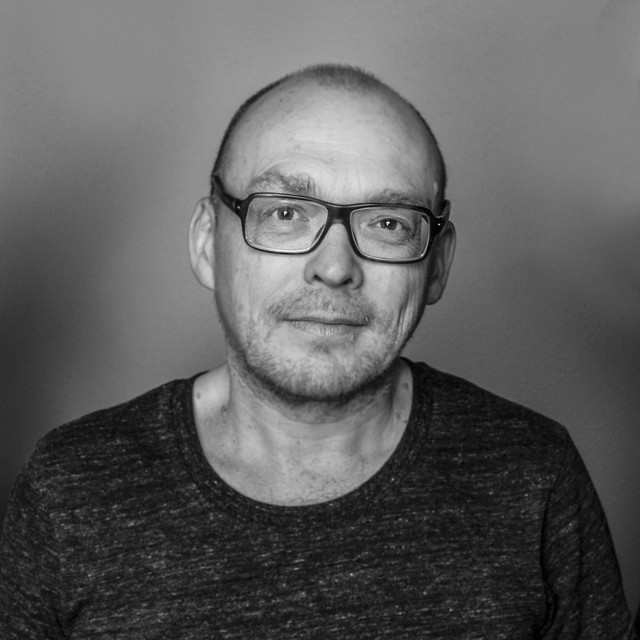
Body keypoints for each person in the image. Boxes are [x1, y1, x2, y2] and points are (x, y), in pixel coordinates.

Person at [0, 64, 635, 639]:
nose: (334, 267)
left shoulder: (533, 474)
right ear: (206, 243)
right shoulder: (72, 487)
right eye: (284, 214)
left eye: (388, 224)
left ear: (437, 265)